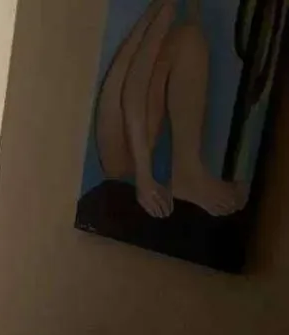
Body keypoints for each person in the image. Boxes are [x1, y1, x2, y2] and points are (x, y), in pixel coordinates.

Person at [95, 0, 247, 218]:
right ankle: (187, 176)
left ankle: (189, 173)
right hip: (119, 148)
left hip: (128, 131)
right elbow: (134, 88)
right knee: (190, 40)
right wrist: (144, 178)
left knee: (191, 37)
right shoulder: (166, 8)